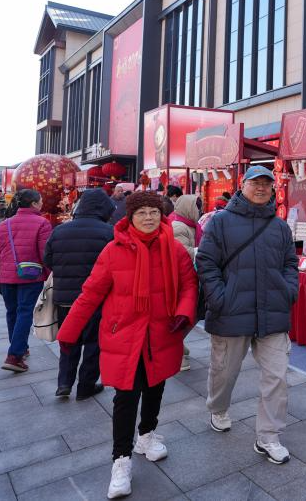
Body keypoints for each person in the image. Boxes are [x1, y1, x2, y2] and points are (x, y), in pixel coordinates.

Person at [56, 191, 198, 499]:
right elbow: (91, 293)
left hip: (161, 333)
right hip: (124, 335)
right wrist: (69, 332)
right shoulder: (113, 250)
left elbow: (189, 284)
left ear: (162, 215)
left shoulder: (174, 249)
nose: (149, 218)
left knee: (155, 387)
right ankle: (121, 459)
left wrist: (184, 311)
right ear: (130, 217)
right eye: (141, 212)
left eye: (154, 212)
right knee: (126, 398)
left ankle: (147, 434)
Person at [196, 165, 299, 465]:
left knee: (277, 376)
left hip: (273, 311)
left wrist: (288, 290)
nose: (261, 188)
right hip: (231, 310)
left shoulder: (279, 226)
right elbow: (206, 262)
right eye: (256, 183)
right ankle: (218, 408)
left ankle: (269, 436)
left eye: (267, 184)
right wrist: (219, 297)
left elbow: (290, 264)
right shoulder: (220, 221)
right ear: (242, 185)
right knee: (224, 372)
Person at [43, 188, 114, 399]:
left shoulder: (60, 231)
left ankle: (64, 382)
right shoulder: (109, 232)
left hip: (65, 298)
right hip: (96, 300)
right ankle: (86, 386)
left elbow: (48, 260)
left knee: (68, 339)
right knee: (94, 343)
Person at [0, 189, 53, 372]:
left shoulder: (6, 223)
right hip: (30, 277)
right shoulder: (42, 223)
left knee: (12, 312)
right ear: (33, 203)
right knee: (25, 312)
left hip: (6, 277)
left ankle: (19, 348)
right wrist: (51, 275)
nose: (42, 203)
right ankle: (15, 355)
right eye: (40, 200)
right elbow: (45, 253)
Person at [169, 194, 202, 372]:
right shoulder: (179, 226)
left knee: (191, 314)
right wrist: (200, 250)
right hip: (182, 279)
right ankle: (177, 351)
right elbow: (180, 251)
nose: (199, 210)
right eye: (197, 207)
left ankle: (178, 347)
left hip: (188, 277)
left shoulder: (189, 225)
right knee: (189, 314)